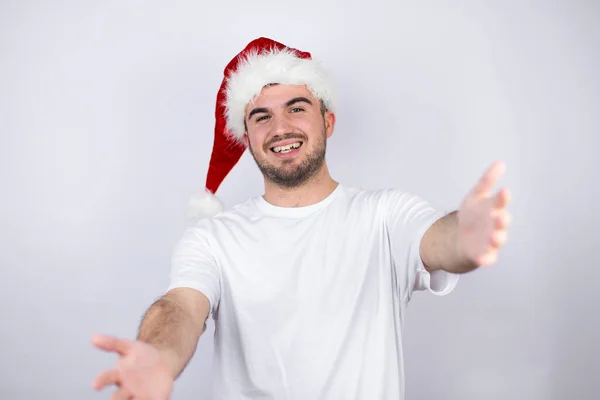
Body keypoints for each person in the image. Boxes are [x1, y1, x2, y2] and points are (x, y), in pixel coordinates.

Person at [91, 37, 511, 400]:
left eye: (296, 108)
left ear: (327, 121)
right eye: (262, 116)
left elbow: (439, 242)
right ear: (247, 138)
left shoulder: (383, 214)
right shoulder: (213, 238)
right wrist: (159, 355)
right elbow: (181, 307)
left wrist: (465, 236)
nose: (280, 127)